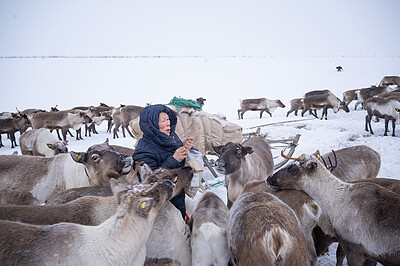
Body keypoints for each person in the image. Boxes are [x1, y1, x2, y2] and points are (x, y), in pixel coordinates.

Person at [132, 104, 194, 220]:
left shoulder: (171, 138)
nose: (168, 123)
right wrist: (174, 160)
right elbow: (150, 183)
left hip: (177, 196)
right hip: (161, 209)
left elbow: (177, 159)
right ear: (153, 125)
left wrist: (184, 146)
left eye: (168, 119)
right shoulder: (142, 152)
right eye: (163, 120)